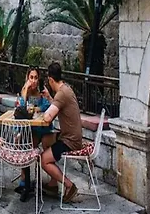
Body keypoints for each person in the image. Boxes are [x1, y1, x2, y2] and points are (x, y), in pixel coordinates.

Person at [40, 62, 83, 203]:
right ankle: (53, 184)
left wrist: (45, 112)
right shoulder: (66, 89)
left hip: (70, 140)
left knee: (43, 160)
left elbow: (47, 117)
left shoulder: (61, 94)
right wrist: (49, 98)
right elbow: (58, 105)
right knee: (46, 139)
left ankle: (69, 186)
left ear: (51, 80)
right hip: (70, 135)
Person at [16, 67, 54, 200]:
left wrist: (36, 108)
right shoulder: (25, 91)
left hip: (44, 128)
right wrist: (25, 91)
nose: (33, 80)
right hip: (33, 129)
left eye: (35, 77)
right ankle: (24, 179)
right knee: (24, 143)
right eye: (31, 77)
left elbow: (47, 106)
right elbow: (21, 109)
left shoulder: (42, 91)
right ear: (27, 78)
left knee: (47, 145)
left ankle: (52, 182)